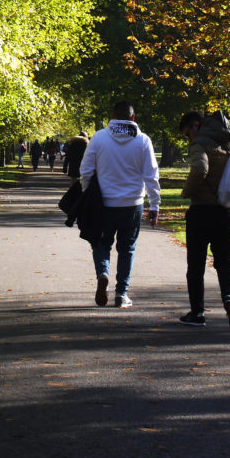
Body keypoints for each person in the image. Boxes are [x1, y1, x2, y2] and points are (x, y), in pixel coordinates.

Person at [79, 101, 160, 308]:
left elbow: (86, 170)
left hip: (104, 204)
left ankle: (103, 272)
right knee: (127, 248)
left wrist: (85, 195)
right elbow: (151, 175)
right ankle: (121, 294)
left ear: (112, 117)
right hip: (132, 204)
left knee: (100, 242)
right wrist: (155, 205)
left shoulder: (99, 137)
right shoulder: (143, 140)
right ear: (133, 118)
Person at [177, 110, 230, 330]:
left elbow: (200, 169)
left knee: (195, 264)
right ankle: (228, 299)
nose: (188, 139)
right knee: (225, 261)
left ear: (196, 126)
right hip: (227, 210)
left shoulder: (200, 144)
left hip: (201, 211)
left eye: (187, 134)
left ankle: (197, 313)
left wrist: (187, 191)